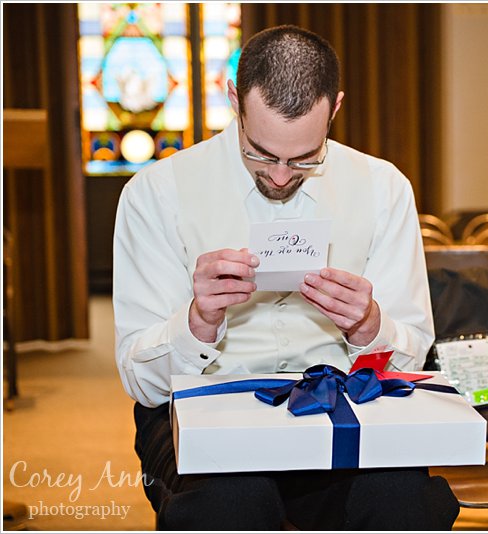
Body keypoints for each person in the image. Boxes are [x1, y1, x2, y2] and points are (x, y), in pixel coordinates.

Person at [113, 25, 459, 530]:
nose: (279, 176)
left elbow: (411, 357)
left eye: (303, 158)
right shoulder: (156, 194)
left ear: (335, 109)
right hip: (198, 411)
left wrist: (369, 325)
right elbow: (141, 383)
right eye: (260, 152)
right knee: (231, 503)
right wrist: (197, 322)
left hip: (342, 405)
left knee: (402, 500)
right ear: (235, 99)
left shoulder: (384, 189)